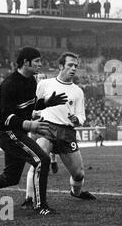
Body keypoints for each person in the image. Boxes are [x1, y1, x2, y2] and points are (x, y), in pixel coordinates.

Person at [0, 47, 68, 215]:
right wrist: (30, 125)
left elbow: (29, 105)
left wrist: (47, 102)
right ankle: (41, 206)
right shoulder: (9, 85)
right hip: (8, 133)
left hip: (16, 133)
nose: (41, 64)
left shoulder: (31, 81)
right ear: (26, 63)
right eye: (37, 61)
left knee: (11, 177)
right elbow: (5, 118)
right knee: (42, 160)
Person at [22, 51, 96, 210]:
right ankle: (29, 198)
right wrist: (33, 115)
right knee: (38, 163)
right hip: (46, 127)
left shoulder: (78, 91)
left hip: (67, 133)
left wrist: (78, 120)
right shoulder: (44, 84)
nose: (74, 68)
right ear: (61, 66)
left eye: (76, 66)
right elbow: (32, 106)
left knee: (79, 174)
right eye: (70, 65)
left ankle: (76, 192)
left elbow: (81, 115)